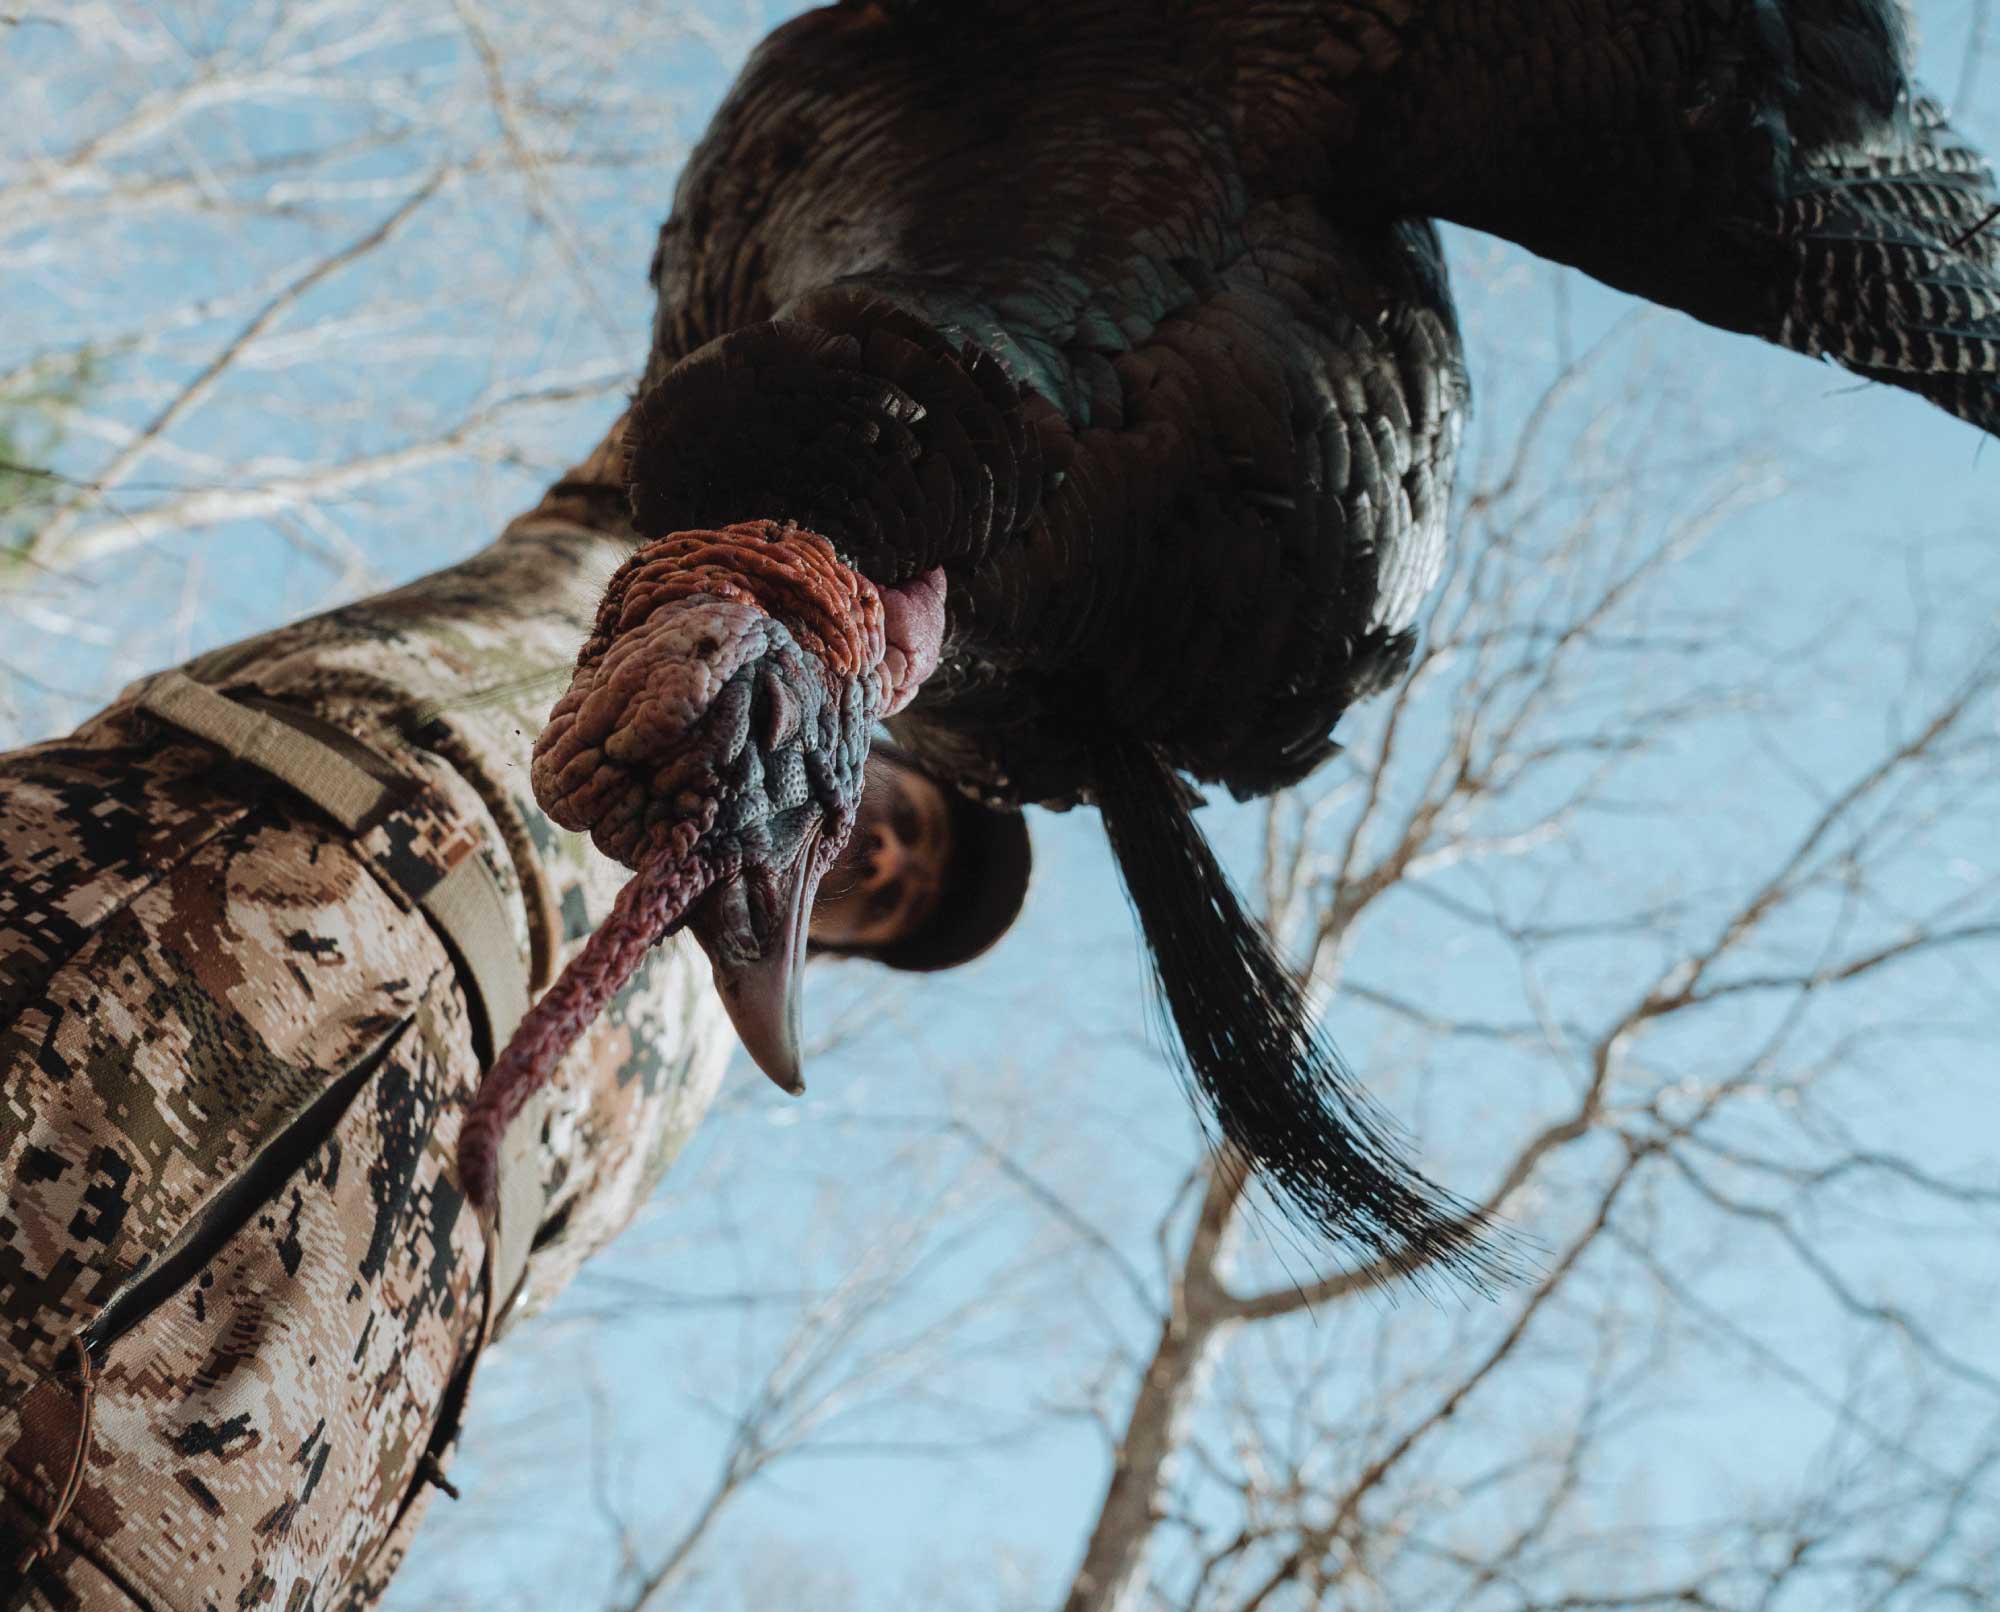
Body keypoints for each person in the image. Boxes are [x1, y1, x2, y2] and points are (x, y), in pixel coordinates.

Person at [0, 423, 1029, 1609]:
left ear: (838, 950)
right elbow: (742, 391)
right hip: (141, 933)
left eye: (899, 901)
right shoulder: (672, 567)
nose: (892, 861)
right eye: (919, 825)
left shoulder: (693, 1075)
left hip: (231, 1494)